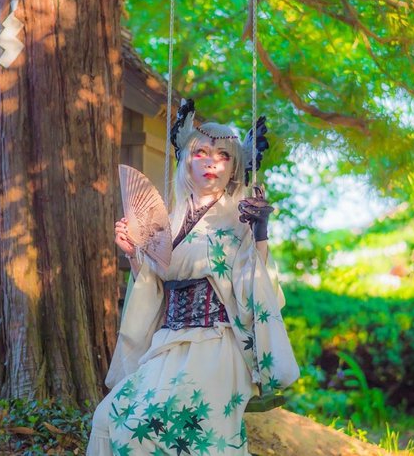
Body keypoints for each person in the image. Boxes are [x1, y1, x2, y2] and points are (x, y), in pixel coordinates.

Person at [87, 100, 299, 455]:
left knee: (148, 428)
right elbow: (153, 288)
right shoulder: (168, 220)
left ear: (234, 167)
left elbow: (258, 290)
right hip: (168, 341)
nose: (211, 161)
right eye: (201, 152)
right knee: (107, 417)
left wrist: (260, 233)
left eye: (223, 155)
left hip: (216, 343)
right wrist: (133, 253)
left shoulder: (241, 218)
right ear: (186, 159)